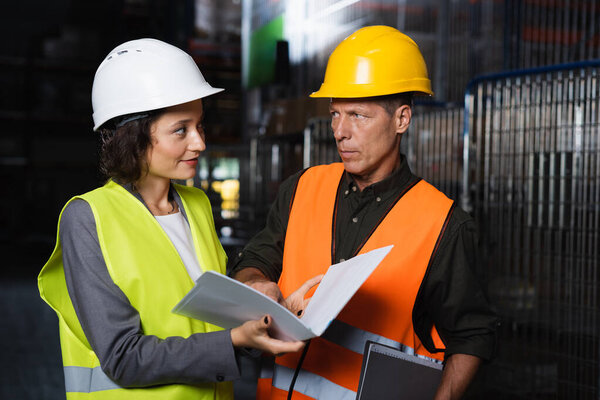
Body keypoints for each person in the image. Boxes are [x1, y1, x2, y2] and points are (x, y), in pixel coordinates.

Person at [38, 38, 318, 400]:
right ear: (133, 137)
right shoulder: (88, 218)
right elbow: (122, 357)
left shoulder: (196, 204)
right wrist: (234, 341)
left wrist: (270, 317)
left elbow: (212, 321)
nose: (200, 143)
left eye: (199, 126)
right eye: (180, 130)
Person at [230, 26, 499, 400]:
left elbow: (472, 333)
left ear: (401, 119)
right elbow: (256, 259)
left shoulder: (444, 225)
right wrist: (255, 284)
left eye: (358, 115)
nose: (341, 131)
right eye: (335, 113)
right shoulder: (301, 188)